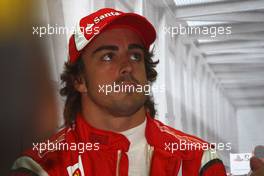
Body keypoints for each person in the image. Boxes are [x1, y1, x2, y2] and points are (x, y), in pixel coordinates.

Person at [10, 8, 227, 176]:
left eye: (135, 56)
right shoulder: (40, 167)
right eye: (108, 56)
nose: (127, 66)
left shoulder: (198, 159)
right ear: (79, 80)